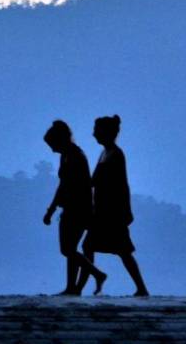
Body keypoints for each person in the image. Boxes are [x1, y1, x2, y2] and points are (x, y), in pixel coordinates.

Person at [82, 115, 149, 297]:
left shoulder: (115, 154)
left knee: (122, 251)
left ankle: (141, 288)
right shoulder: (106, 153)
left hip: (112, 212)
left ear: (106, 132)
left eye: (96, 130)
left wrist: (126, 210)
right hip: (103, 210)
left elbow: (122, 185)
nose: (93, 134)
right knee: (91, 246)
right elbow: (94, 181)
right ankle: (84, 285)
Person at [42, 120, 107, 295]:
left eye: (52, 144)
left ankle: (97, 274)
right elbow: (62, 185)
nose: (51, 149)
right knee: (71, 248)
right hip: (73, 207)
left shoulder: (75, 156)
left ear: (60, 140)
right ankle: (72, 287)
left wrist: (51, 210)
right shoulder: (67, 155)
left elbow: (66, 186)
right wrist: (53, 209)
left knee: (67, 249)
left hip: (78, 208)